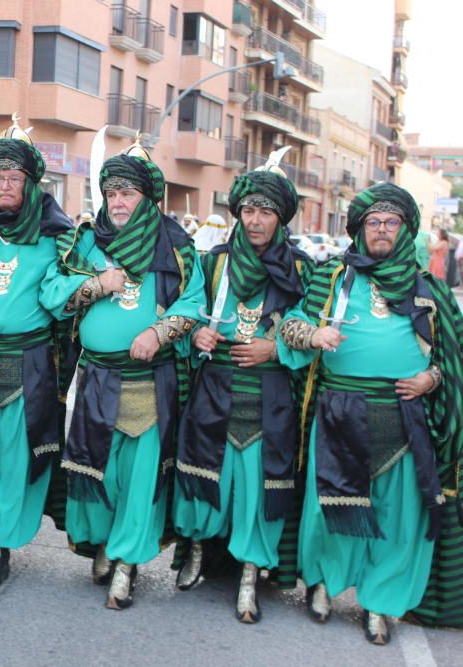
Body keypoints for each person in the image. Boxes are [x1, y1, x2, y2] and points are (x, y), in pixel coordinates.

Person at [277, 182, 463, 643]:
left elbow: (453, 356)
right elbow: (290, 325)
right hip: (340, 410)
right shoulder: (332, 278)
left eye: (390, 222)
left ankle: (381, 602)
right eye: (372, 222)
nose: (381, 230)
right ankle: (322, 584)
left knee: (398, 516)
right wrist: (313, 336)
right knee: (332, 509)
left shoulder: (429, 289)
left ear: (405, 230)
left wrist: (431, 379)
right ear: (359, 230)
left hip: (404, 416)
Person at [0, 116, 89, 588]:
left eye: (15, 178)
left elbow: (72, 292)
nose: (6, 185)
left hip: (28, 362)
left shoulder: (57, 233)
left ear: (31, 184)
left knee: (13, 454)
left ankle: (1, 544)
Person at [62, 141, 205, 610]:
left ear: (147, 197)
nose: (118, 202)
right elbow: (52, 289)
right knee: (100, 474)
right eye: (112, 193)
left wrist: (161, 331)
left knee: (140, 478)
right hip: (96, 378)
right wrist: (95, 285)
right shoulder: (87, 240)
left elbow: (195, 302)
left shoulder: (177, 244)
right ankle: (104, 543)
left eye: (127, 193)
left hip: (149, 381)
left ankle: (126, 563)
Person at [173, 157, 313, 622]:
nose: (254, 220)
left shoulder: (301, 270)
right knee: (206, 476)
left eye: (265, 212)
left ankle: (251, 574)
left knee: (256, 487)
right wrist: (196, 334)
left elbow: (310, 326)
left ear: (280, 218)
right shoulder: (214, 263)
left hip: (269, 394)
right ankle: (196, 551)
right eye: (248, 210)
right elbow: (190, 306)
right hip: (215, 386)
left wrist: (273, 350)